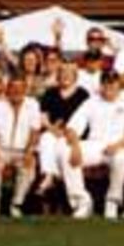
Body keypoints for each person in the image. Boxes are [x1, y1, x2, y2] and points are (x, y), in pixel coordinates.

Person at [60, 70, 124, 220]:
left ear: (119, 84)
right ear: (101, 85)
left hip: (119, 145)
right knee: (66, 152)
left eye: (113, 83)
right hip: (95, 145)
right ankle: (83, 201)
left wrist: (117, 146)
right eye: (106, 83)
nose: (110, 86)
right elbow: (71, 128)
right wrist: (76, 147)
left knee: (122, 158)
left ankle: (112, 201)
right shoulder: (91, 102)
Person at [0, 78, 41, 220]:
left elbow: (35, 131)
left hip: (23, 149)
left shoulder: (33, 105)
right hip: (2, 148)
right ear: (7, 89)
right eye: (13, 87)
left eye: (20, 88)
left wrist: (29, 152)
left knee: (28, 169)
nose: (16, 91)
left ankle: (16, 205)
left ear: (25, 90)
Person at [34, 63, 91, 197]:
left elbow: (87, 119)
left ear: (75, 77)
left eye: (69, 73)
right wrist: (51, 128)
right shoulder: (50, 92)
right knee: (46, 138)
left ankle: (55, 180)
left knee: (60, 146)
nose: (65, 76)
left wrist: (68, 132)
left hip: (75, 135)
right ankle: (49, 175)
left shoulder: (83, 94)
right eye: (62, 73)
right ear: (58, 76)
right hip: (54, 131)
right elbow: (43, 116)